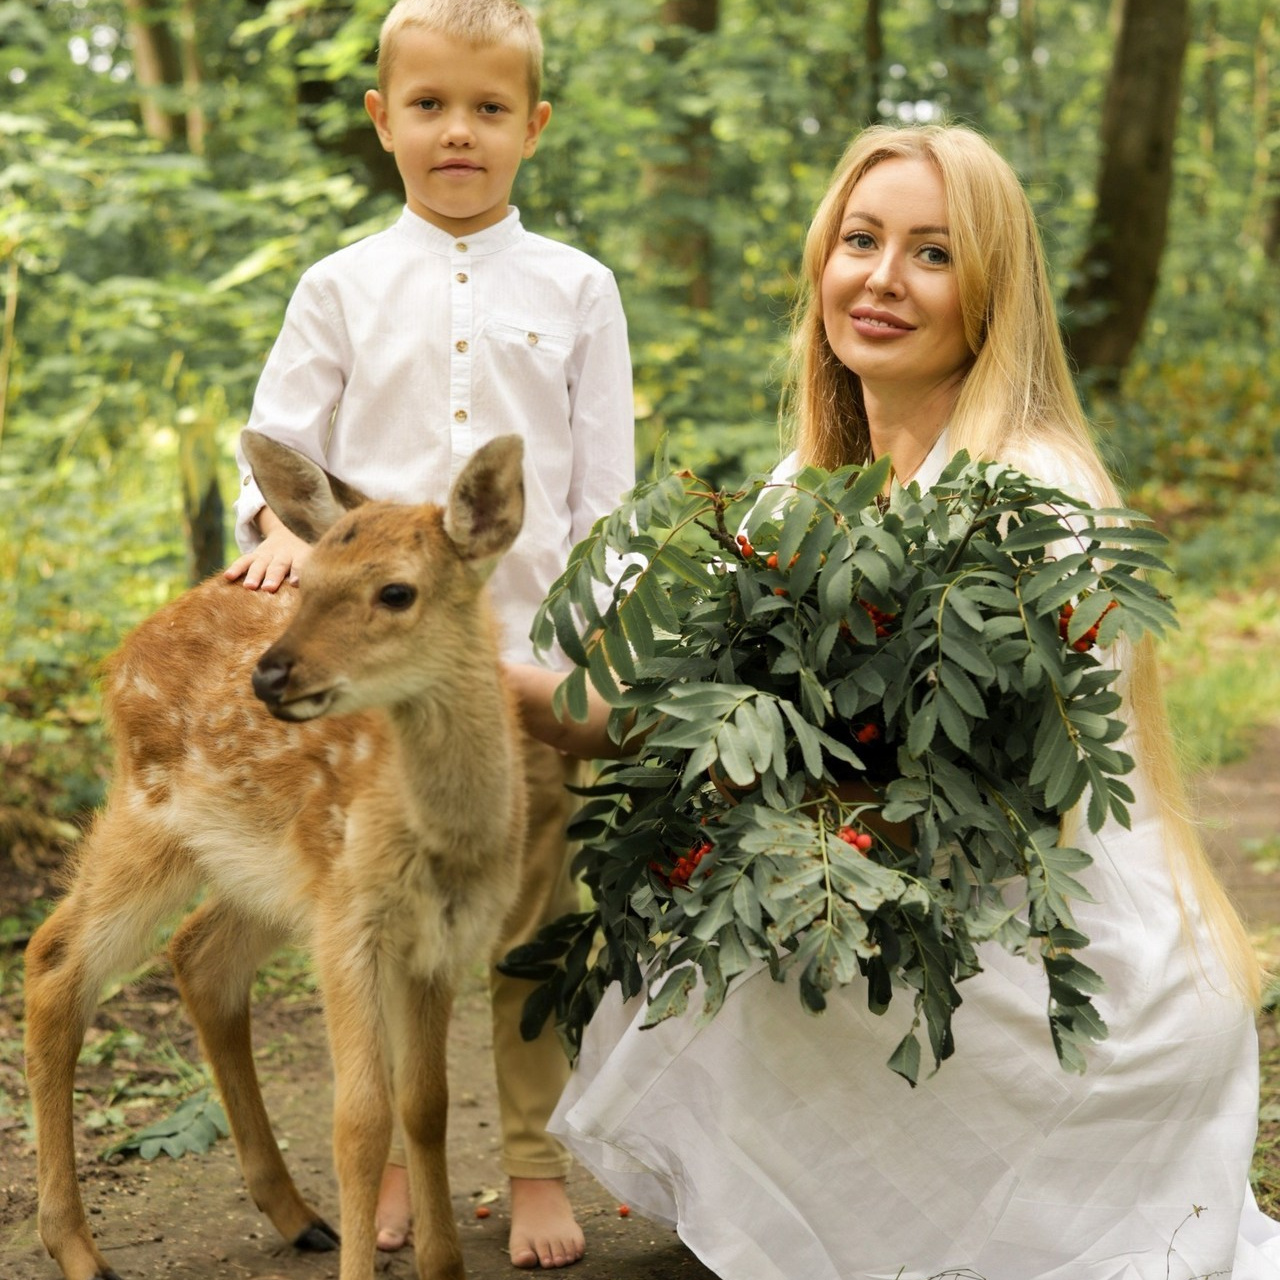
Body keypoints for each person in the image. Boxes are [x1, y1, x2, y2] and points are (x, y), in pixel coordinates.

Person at [504, 124, 1280, 1279]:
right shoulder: (805, 487)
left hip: (1062, 960)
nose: (879, 278)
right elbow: (650, 710)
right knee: (709, 904)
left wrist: (772, 809)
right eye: (859, 240)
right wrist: (459, 671)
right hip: (933, 893)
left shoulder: (1034, 494)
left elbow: (980, 806)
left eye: (931, 253)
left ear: (991, 293)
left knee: (774, 922)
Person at [225, 0, 635, 1268]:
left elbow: (605, 495)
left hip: (525, 660)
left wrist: (585, 651)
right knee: (384, 918)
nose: (459, 130)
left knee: (528, 918)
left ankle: (532, 1162)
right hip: (380, 670)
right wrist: (277, 536)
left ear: (534, 126)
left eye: (488, 108)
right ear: (382, 120)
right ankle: (403, 1158)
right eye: (429, 106)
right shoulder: (339, 285)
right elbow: (280, 451)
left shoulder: (577, 287)